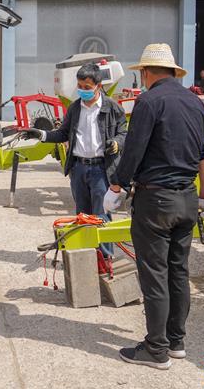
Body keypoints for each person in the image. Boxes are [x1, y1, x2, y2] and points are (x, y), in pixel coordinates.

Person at [103, 43, 204, 370]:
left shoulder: (149, 101)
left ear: (147, 72)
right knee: (178, 272)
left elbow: (134, 150)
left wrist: (117, 186)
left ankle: (156, 349)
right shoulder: (197, 104)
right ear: (173, 72)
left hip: (156, 201)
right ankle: (176, 341)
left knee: (154, 274)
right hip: (187, 199)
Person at [23, 63, 127, 261]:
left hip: (100, 170)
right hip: (78, 169)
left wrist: (116, 143)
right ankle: (85, 260)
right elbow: (63, 133)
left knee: (101, 217)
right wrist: (42, 135)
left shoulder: (112, 107)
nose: (83, 91)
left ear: (98, 85)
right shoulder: (74, 108)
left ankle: (105, 260)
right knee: (82, 217)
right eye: (80, 86)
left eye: (87, 87)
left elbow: (123, 132)